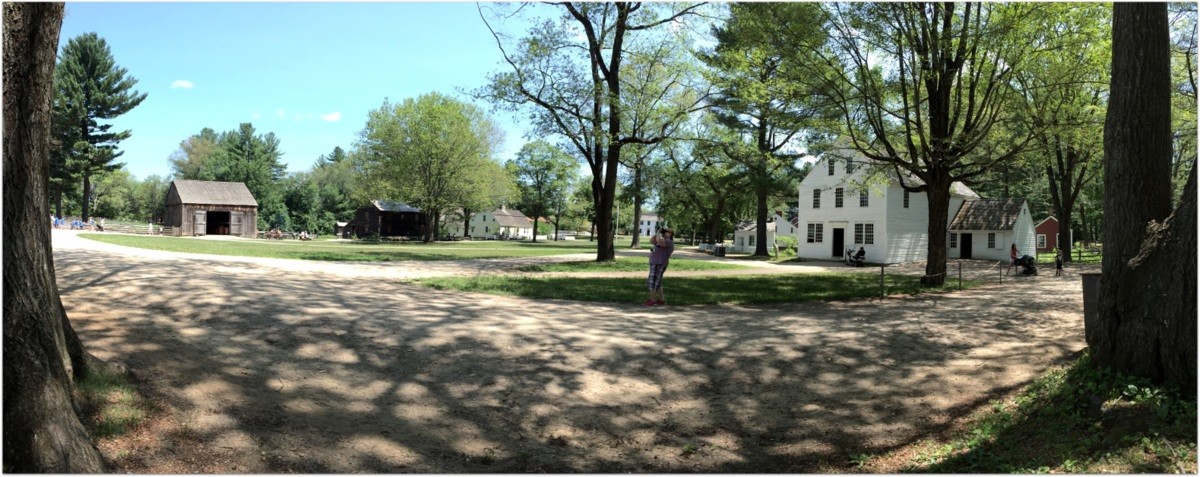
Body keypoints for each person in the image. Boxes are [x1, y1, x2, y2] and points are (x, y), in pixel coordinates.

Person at [645, 227, 675, 307]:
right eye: (665, 231)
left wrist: (659, 232)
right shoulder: (661, 240)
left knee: (652, 282)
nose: (665, 232)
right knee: (658, 283)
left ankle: (652, 300)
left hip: (660, 263)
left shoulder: (669, 242)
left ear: (671, 234)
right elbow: (651, 240)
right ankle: (661, 300)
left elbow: (659, 241)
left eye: (668, 231)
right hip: (654, 263)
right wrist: (657, 232)